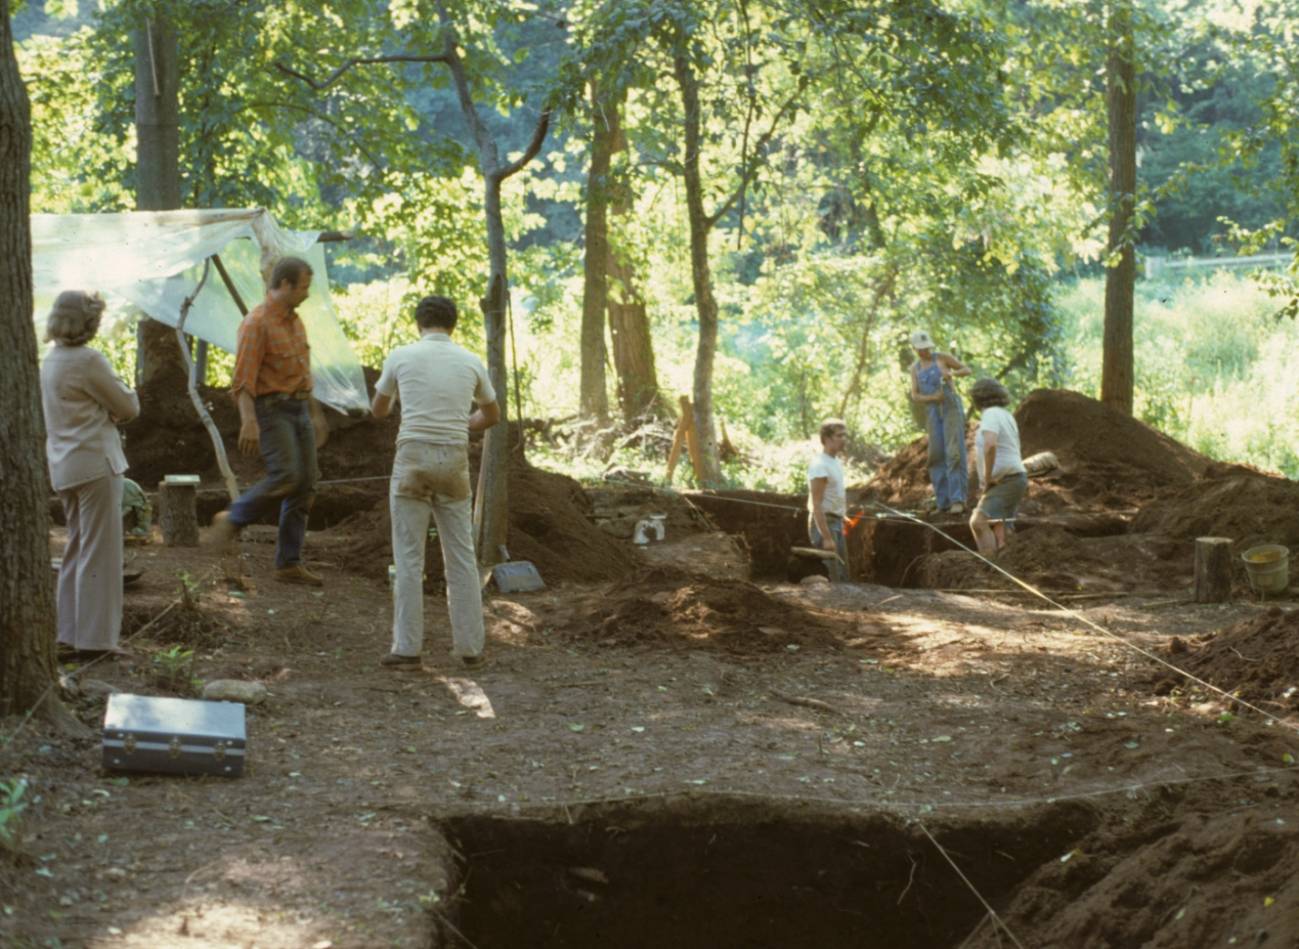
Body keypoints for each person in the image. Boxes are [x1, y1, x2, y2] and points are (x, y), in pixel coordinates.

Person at [370, 295, 500, 668]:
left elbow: (378, 410)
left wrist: (397, 402)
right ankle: (470, 647)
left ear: (418, 323)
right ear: (453, 325)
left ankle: (407, 648)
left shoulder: (401, 356)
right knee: (461, 555)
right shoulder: (470, 360)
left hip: (412, 457)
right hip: (453, 457)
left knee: (409, 556)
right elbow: (491, 414)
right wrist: (464, 423)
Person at [40, 290, 140, 659]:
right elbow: (127, 405)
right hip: (97, 465)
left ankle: (68, 633)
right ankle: (96, 641)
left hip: (65, 465)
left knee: (76, 549)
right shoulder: (88, 360)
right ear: (87, 324)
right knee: (100, 553)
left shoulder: (50, 360)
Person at [211, 257, 323, 585]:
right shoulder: (256, 323)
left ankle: (288, 563)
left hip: (299, 408)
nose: (306, 293)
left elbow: (303, 372)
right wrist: (249, 422)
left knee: (306, 485)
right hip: (272, 410)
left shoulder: (295, 321)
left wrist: (315, 414)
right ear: (285, 285)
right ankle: (233, 517)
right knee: (287, 474)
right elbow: (242, 381)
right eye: (303, 287)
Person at [909, 330, 972, 514]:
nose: (924, 352)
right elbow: (915, 395)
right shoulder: (915, 369)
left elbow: (967, 369)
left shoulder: (942, 358)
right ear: (914, 349)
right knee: (936, 455)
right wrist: (932, 398)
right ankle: (943, 502)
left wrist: (952, 374)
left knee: (954, 452)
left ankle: (958, 500)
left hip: (950, 407)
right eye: (920, 349)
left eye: (926, 348)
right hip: (932, 411)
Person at [968, 378, 1028, 558]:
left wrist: (986, 478)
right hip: (1012, 479)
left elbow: (990, 445)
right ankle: (1007, 563)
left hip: (1006, 479)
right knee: (1000, 526)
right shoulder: (1005, 415)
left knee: (978, 522)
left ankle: (989, 568)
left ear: (978, 398)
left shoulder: (991, 415)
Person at [807, 418, 849, 583]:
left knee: (842, 573)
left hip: (836, 522)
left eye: (844, 435)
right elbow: (815, 504)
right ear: (826, 438)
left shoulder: (835, 462)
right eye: (839, 435)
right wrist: (826, 536)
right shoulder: (819, 465)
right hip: (825, 524)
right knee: (831, 576)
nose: (843, 439)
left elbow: (833, 494)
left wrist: (842, 515)